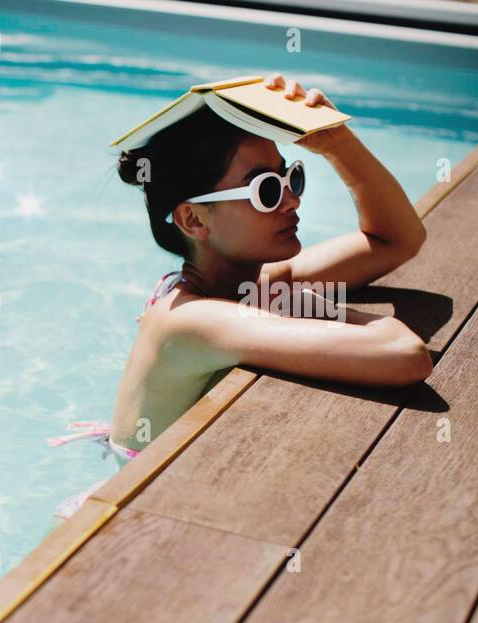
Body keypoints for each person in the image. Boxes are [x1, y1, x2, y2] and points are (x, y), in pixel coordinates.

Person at [53, 73, 431, 514]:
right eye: (266, 190)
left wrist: (336, 143)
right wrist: (320, 312)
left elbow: (396, 241)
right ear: (194, 220)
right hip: (123, 523)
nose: (291, 200)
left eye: (290, 177)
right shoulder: (191, 321)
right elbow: (406, 355)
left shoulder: (256, 284)